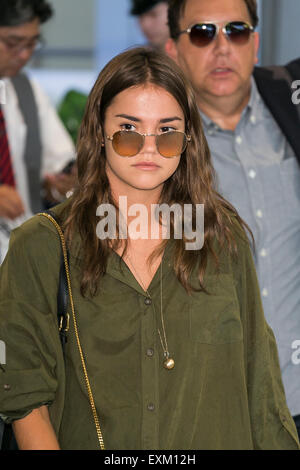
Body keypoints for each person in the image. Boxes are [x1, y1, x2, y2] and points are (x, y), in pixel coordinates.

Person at [0, 47, 299, 450]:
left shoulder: (219, 235)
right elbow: (25, 396)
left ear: (187, 139)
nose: (148, 148)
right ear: (98, 132)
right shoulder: (42, 245)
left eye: (167, 131)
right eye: (128, 130)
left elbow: (260, 384)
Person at [165, 0, 300, 438]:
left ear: (255, 44)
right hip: (214, 412)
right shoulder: (155, 145)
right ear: (173, 50)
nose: (222, 47)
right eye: (203, 33)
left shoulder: (291, 108)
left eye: (236, 31)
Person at [0, 0, 76, 263]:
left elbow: (60, 164)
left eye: (31, 44)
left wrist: (61, 183)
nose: (24, 54)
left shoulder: (26, 90)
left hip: (21, 247)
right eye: (12, 43)